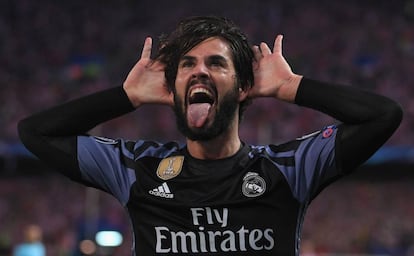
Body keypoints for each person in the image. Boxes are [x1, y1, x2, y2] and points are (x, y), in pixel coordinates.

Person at [18, 16, 402, 255]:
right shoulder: (137, 169)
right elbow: (35, 133)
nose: (199, 71)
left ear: (241, 87)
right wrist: (126, 96)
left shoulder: (289, 168)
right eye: (187, 65)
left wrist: (292, 85)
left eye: (216, 63)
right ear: (174, 87)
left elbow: (382, 117)